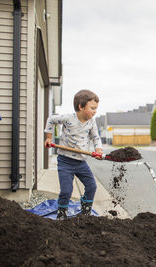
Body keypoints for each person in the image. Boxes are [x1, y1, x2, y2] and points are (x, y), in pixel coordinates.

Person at [44, 89, 103, 220]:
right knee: (66, 191)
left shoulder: (91, 122)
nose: (95, 111)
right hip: (65, 162)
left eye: (96, 108)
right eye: (92, 108)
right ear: (81, 107)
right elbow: (51, 119)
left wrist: (98, 150)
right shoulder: (68, 119)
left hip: (81, 162)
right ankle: (61, 215)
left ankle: (85, 212)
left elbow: (96, 137)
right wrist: (49, 138)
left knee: (91, 186)